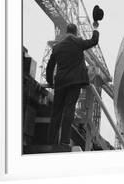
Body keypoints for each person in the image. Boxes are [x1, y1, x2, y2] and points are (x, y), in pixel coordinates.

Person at [46, 23, 99, 151]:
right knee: (69, 109)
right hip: (74, 82)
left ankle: (50, 140)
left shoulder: (57, 47)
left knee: (56, 112)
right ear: (75, 32)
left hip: (60, 83)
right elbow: (93, 41)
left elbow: (49, 67)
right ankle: (64, 141)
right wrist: (95, 28)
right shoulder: (78, 42)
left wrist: (50, 82)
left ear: (66, 32)